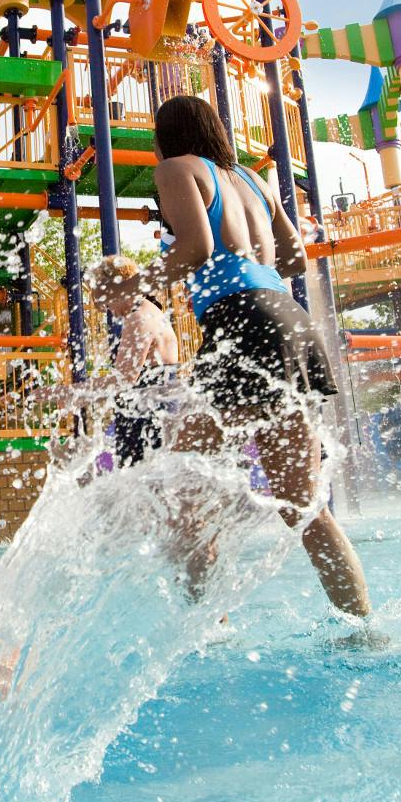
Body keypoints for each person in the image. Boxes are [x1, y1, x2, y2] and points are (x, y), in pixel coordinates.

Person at [100, 95, 370, 618]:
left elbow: (197, 249)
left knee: (178, 491)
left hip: (241, 325)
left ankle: (209, 626)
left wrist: (138, 283)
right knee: (304, 507)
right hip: (289, 321)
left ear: (166, 136)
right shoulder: (254, 179)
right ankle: (364, 627)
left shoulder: (177, 169)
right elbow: (294, 257)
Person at [95, 256, 181, 467]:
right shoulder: (149, 312)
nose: (110, 309)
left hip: (149, 413)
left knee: (142, 478)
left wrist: (67, 393)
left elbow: (124, 380)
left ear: (121, 287)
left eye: (107, 300)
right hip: (153, 407)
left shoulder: (140, 318)